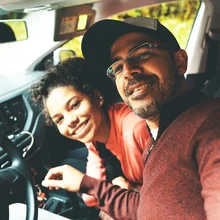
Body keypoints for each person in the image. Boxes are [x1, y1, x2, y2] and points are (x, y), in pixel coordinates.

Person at [42, 16, 220, 220]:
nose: (127, 70)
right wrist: (86, 184)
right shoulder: (157, 136)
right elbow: (151, 204)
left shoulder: (209, 126)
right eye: (117, 67)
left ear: (180, 62)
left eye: (142, 54)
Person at [30, 57, 150, 218]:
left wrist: (125, 190)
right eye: (59, 119)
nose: (71, 121)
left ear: (97, 98)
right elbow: (90, 199)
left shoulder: (136, 130)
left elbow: (163, 201)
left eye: (75, 105)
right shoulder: (94, 137)